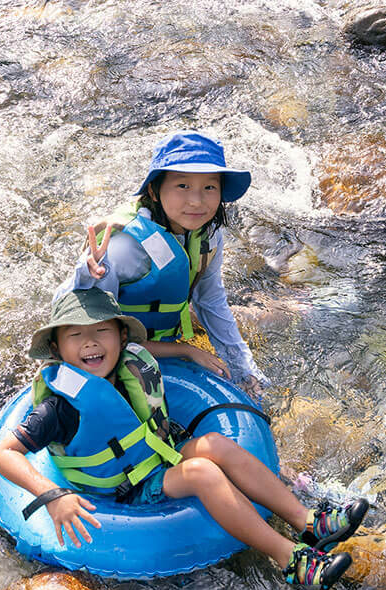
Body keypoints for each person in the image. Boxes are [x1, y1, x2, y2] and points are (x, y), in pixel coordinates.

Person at [0, 288, 369, 590]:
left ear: (120, 337)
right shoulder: (58, 406)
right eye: (75, 335)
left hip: (154, 455)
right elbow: (3, 454)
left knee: (216, 444)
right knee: (202, 472)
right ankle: (292, 563)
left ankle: (308, 522)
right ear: (57, 349)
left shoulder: (124, 360)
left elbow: (145, 351)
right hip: (124, 489)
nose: (90, 343)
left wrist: (187, 350)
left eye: (101, 332)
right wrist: (52, 496)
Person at [61, 130, 267, 399]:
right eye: (183, 186)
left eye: (209, 187)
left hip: (165, 334)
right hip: (110, 346)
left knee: (265, 320)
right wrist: (187, 351)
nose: (197, 201)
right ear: (154, 191)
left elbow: (211, 301)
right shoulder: (124, 246)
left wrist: (244, 370)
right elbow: (90, 335)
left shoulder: (208, 233)